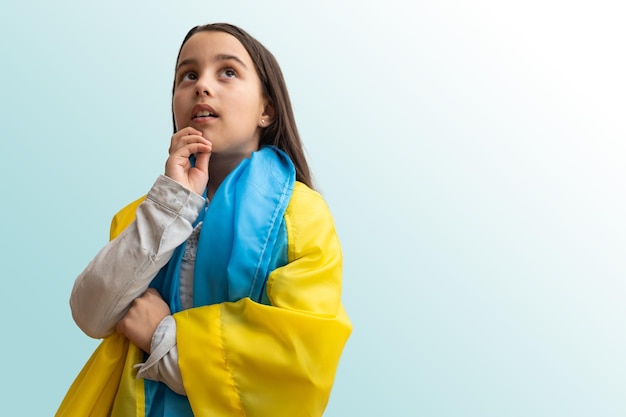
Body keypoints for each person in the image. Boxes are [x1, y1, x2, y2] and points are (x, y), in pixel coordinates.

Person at [56, 23, 351, 417]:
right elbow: (90, 313)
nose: (202, 86)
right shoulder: (143, 213)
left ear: (267, 109)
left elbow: (297, 368)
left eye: (227, 71)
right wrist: (171, 203)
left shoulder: (300, 214)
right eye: (188, 75)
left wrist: (162, 335)